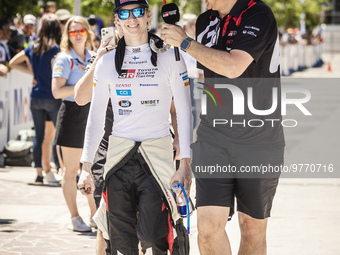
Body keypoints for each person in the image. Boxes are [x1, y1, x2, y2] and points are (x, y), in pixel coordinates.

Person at [161, 0, 285, 254]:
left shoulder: (258, 14)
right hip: (213, 137)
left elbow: (232, 66)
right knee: (206, 229)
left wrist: (185, 42)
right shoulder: (206, 20)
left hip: (260, 139)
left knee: (251, 227)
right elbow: (203, 67)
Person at [78, 0, 192, 253]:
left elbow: (184, 112)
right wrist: (86, 167)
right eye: (125, 13)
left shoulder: (170, 55)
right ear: (117, 19)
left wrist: (185, 163)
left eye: (138, 11)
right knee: (120, 241)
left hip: (157, 155)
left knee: (154, 234)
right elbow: (96, 117)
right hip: (119, 157)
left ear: (148, 15)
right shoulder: (107, 62)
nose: (132, 18)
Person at [51, 16, 97, 232]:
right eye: (72, 32)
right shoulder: (64, 59)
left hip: (91, 114)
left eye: (81, 31)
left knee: (92, 169)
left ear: (87, 32)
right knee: (71, 171)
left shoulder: (93, 55)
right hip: (71, 114)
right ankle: (74, 217)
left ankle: (95, 215)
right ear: (67, 36)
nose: (77, 35)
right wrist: (82, 86)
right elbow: (57, 91)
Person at [9, 15, 62, 185]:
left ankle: (40, 173)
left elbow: (13, 63)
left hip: (36, 97)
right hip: (53, 97)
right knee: (60, 136)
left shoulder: (33, 47)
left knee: (40, 137)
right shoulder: (56, 50)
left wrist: (32, 73)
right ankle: (65, 170)